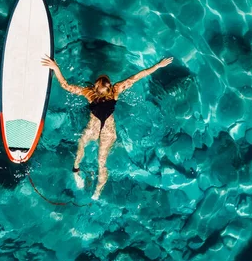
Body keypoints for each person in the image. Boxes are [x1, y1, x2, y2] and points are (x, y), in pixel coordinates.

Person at [41, 55, 173, 200]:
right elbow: (136, 77)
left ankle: (76, 171)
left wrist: (56, 68)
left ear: (96, 87)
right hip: (108, 133)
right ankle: (97, 193)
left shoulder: (89, 93)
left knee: (80, 147)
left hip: (92, 129)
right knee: (101, 163)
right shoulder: (116, 90)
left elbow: (66, 85)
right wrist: (157, 66)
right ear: (109, 86)